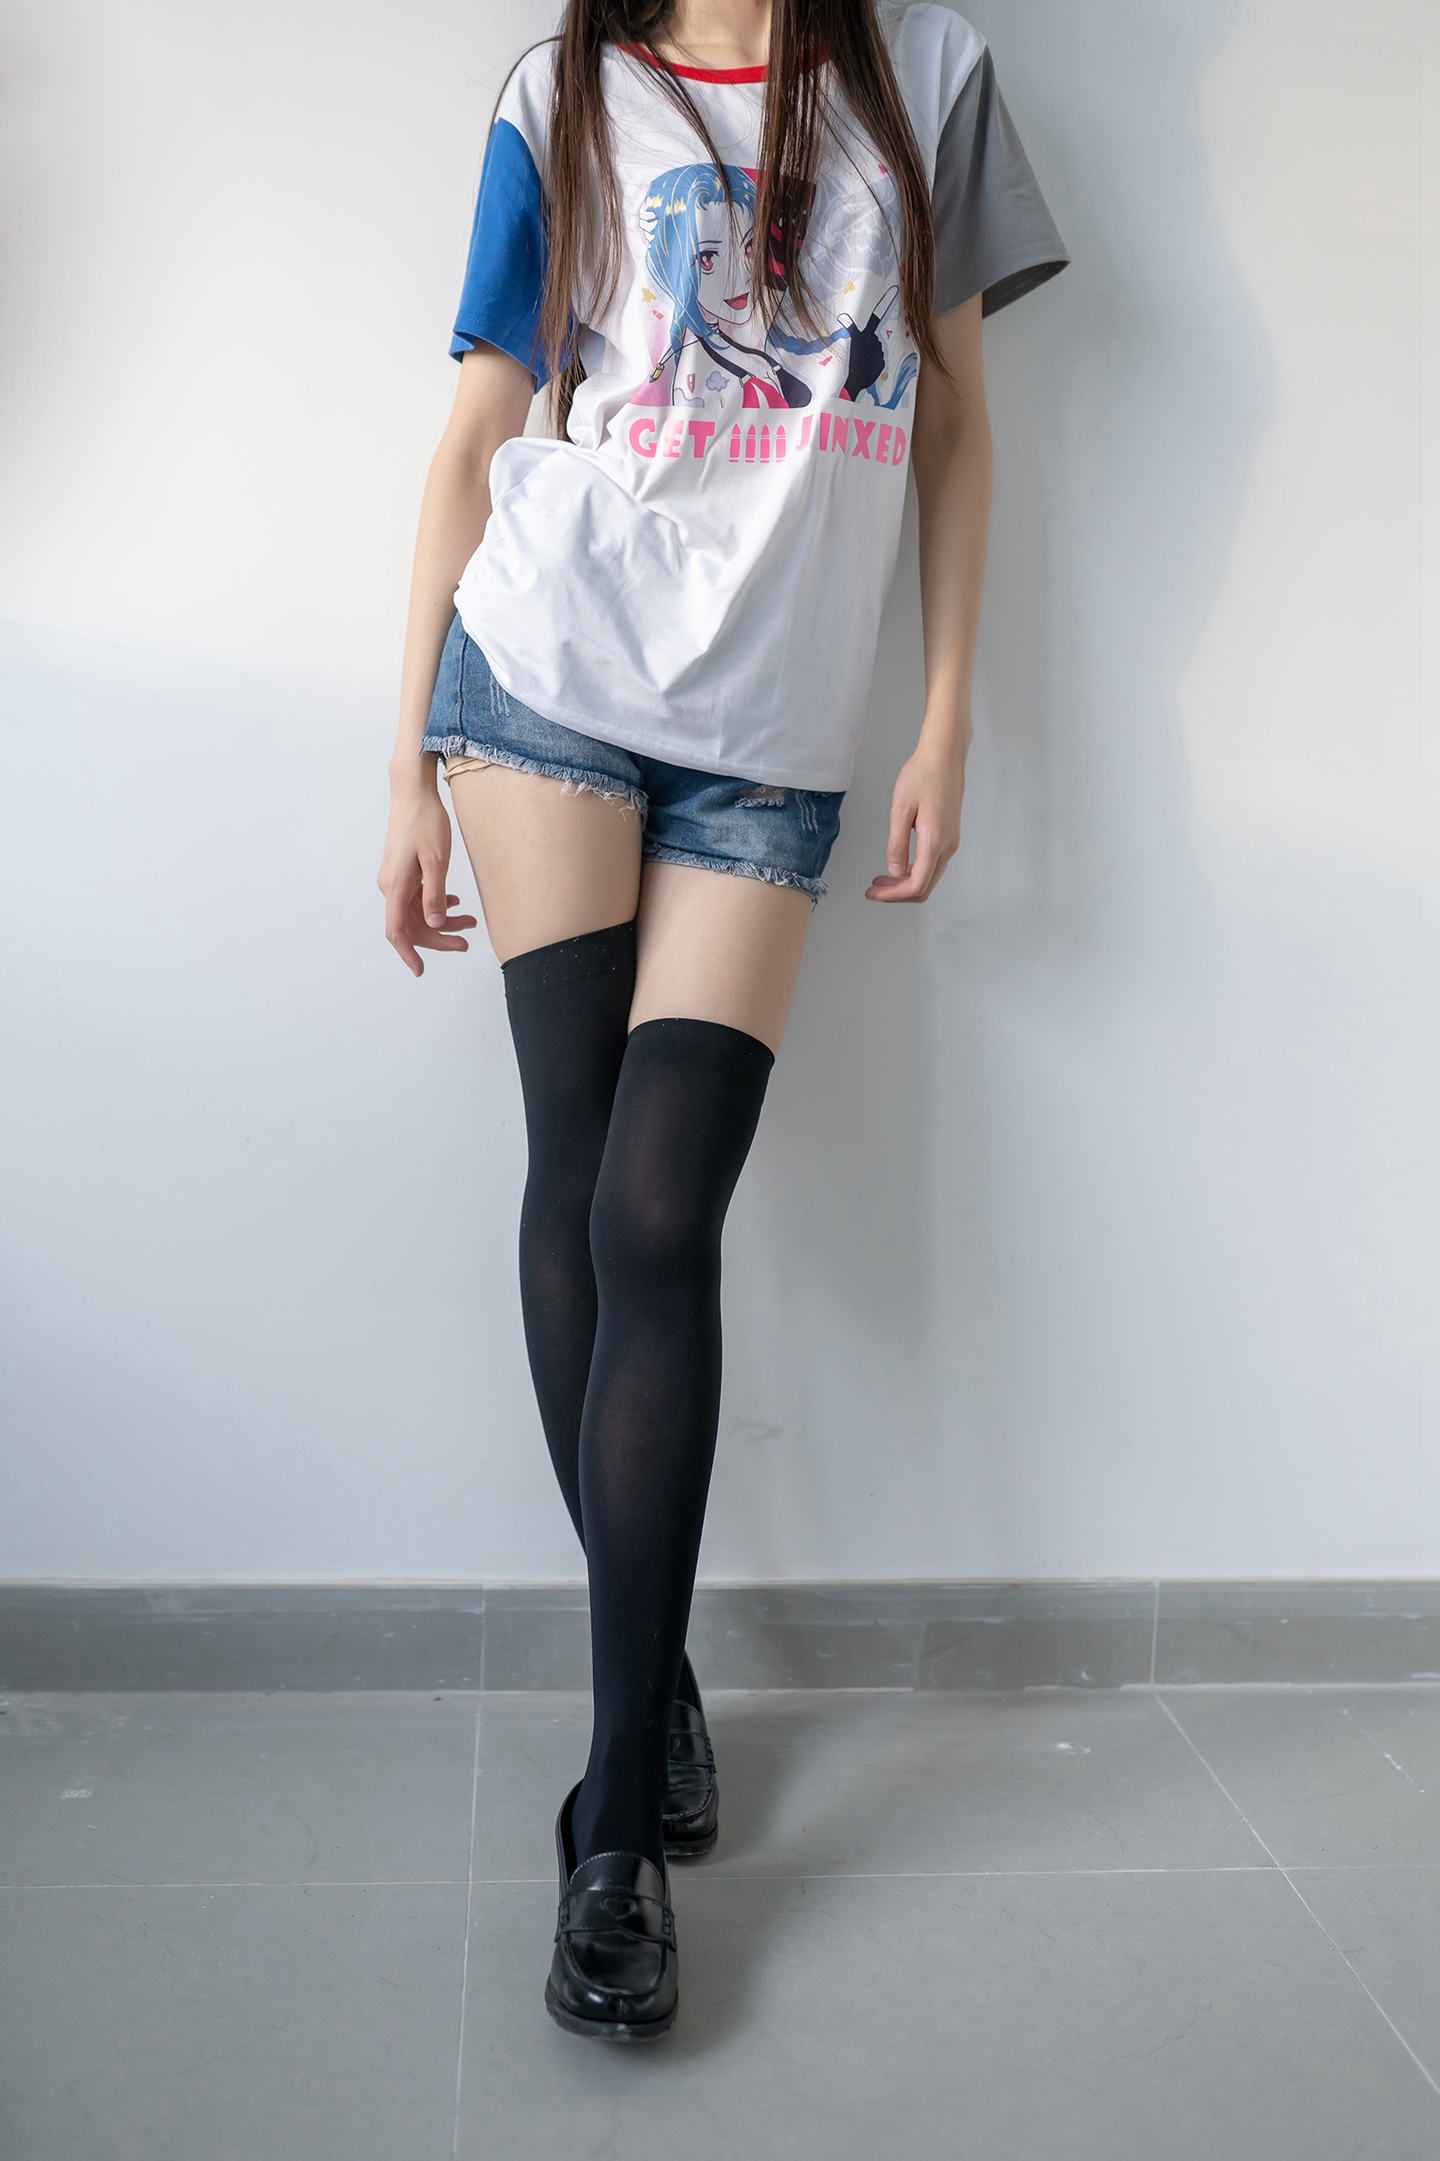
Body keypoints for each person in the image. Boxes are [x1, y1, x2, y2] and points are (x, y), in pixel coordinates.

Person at [377, 0, 1069, 2042]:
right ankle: (617, 1822)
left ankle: (641, 1659)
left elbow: (958, 413)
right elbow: (478, 428)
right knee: (582, 1177)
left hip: (773, 731)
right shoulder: (558, 88)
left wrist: (948, 715)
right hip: (546, 680)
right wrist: (402, 762)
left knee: (658, 1210)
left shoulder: (930, 76)